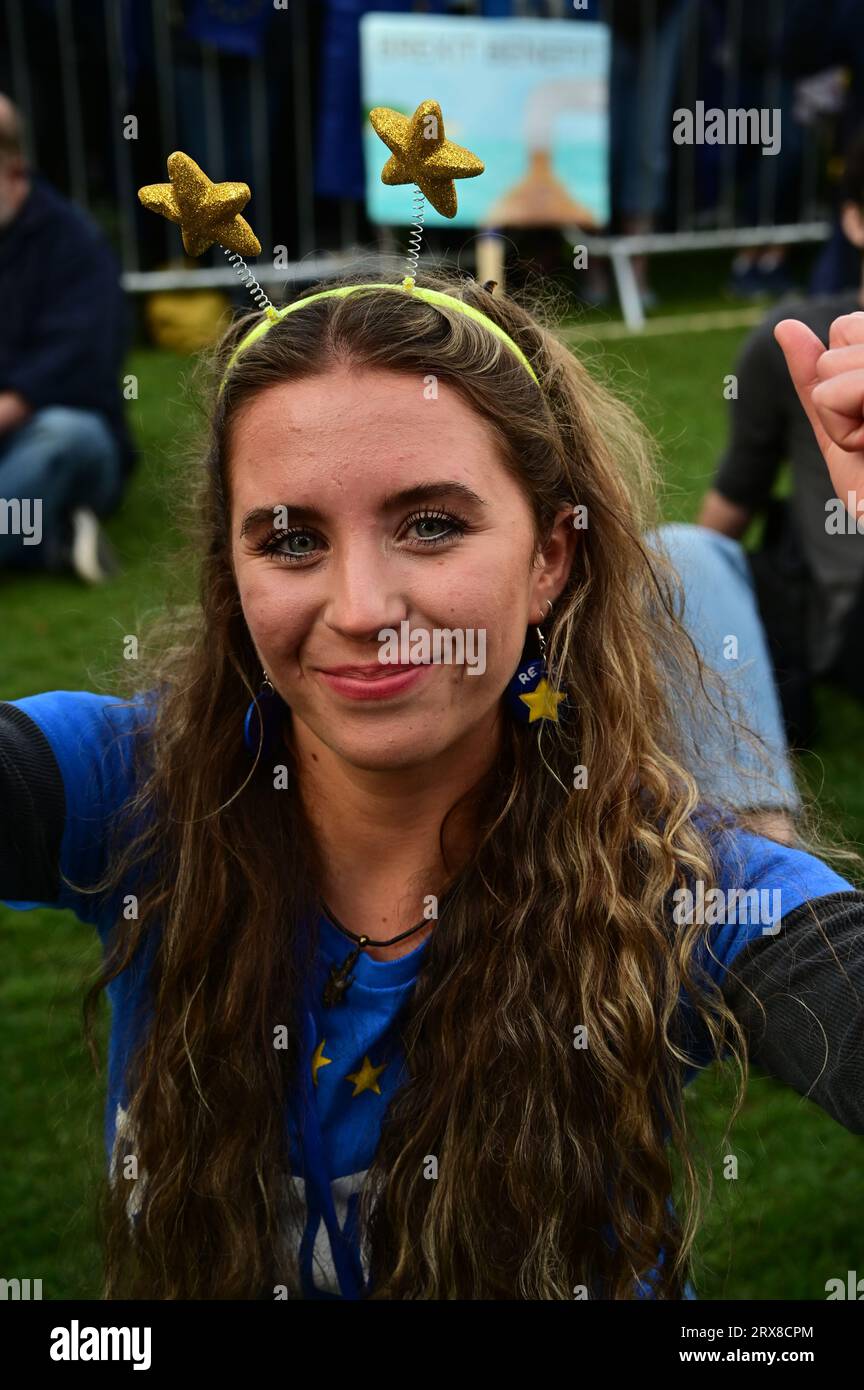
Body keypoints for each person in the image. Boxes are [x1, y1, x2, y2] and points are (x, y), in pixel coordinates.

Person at [1, 269, 862, 1302]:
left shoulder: (683, 881)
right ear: (232, 569)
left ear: (549, 554)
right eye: (290, 539)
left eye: (431, 524)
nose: (363, 606)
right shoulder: (129, 790)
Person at [698, 130, 864, 746]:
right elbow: (738, 490)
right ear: (853, 219)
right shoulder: (796, 339)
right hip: (843, 622)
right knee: (685, 557)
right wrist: (690, 581)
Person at [0, 93, 135, 582]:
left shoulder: (74, 244)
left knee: (66, 437)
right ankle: (50, 542)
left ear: (15, 174)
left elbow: (77, 362)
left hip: (47, 438)